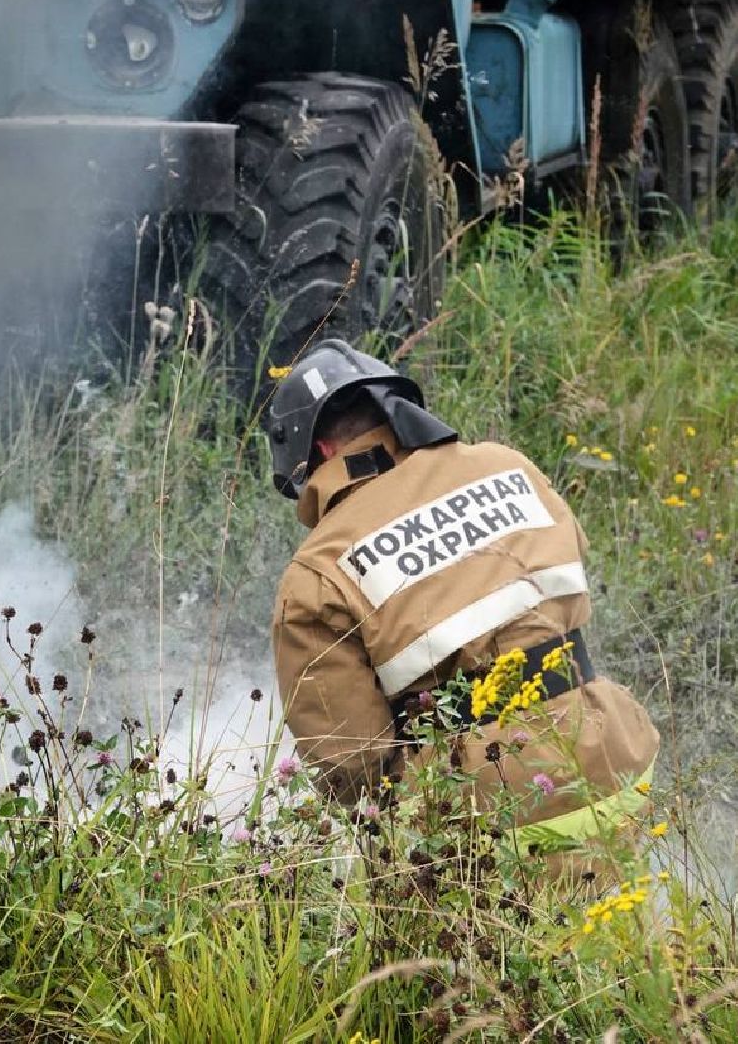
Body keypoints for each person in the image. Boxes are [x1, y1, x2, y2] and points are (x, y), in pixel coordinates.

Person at [265, 339, 659, 878]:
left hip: (490, 807)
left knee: (501, 956)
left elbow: (352, 763)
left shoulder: (316, 572)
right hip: (616, 754)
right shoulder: (506, 465)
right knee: (628, 935)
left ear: (322, 455)